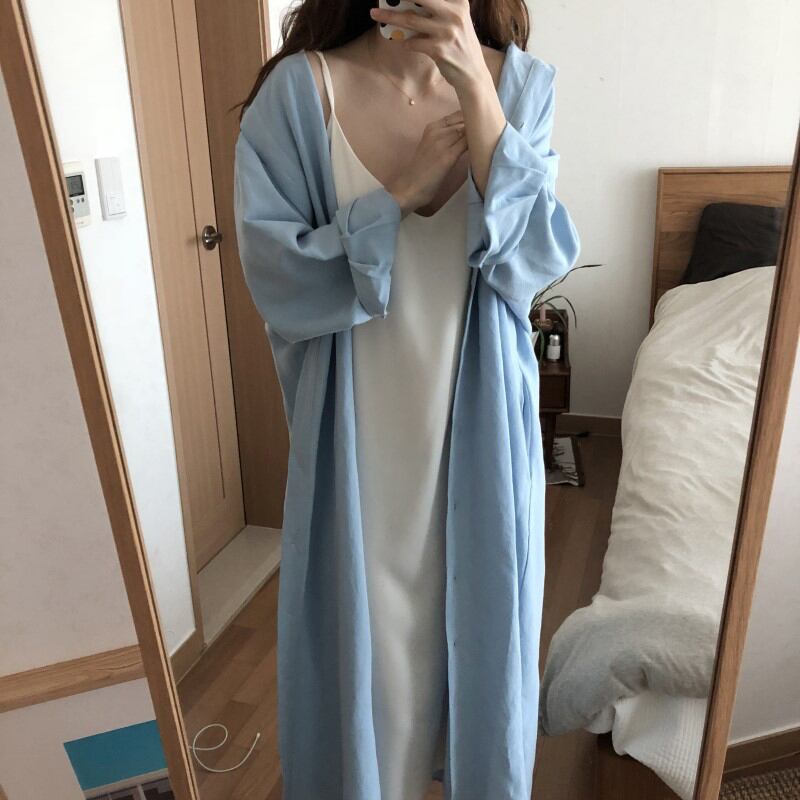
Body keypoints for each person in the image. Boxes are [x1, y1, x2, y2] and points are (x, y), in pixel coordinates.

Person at [233, 1, 580, 797]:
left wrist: (477, 91)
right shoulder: (302, 94)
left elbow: (535, 262)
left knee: (484, 652)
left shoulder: (521, 88)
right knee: (372, 685)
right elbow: (277, 276)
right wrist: (396, 196)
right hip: (358, 442)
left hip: (483, 440)